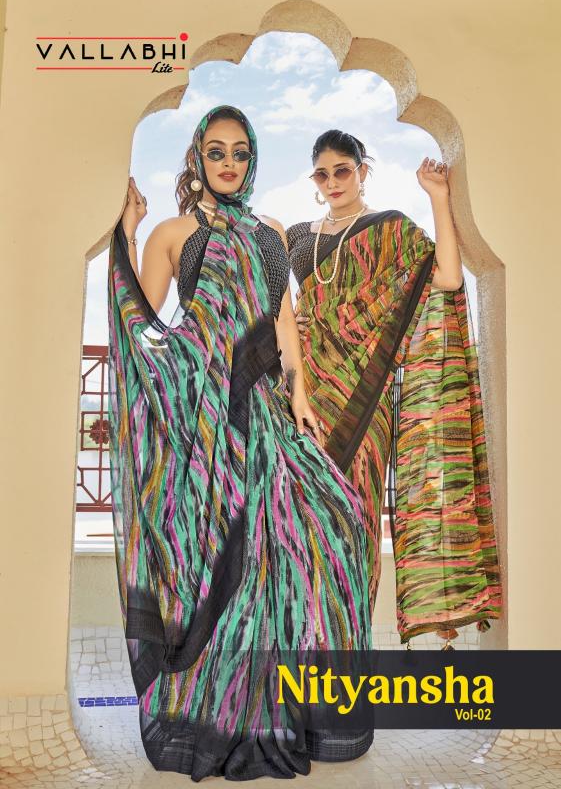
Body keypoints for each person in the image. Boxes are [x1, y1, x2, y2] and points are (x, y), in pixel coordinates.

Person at [107, 106, 375, 781]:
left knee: (335, 524)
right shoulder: (172, 234)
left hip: (267, 412)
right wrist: (129, 231)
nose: (228, 163)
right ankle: (224, 710)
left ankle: (293, 708)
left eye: (240, 153)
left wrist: (300, 397)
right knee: (232, 559)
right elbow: (144, 327)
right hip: (207, 421)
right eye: (216, 152)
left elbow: (282, 321)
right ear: (197, 159)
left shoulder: (268, 232)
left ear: (251, 160)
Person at [286, 129, 503, 651]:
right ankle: (303, 642)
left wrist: (438, 197)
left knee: (356, 518)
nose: (333, 181)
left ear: (363, 170)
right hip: (303, 393)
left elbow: (447, 277)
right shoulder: (295, 237)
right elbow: (286, 312)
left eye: (343, 170)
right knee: (299, 518)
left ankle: (347, 646)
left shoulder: (391, 229)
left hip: (367, 397)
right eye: (322, 174)